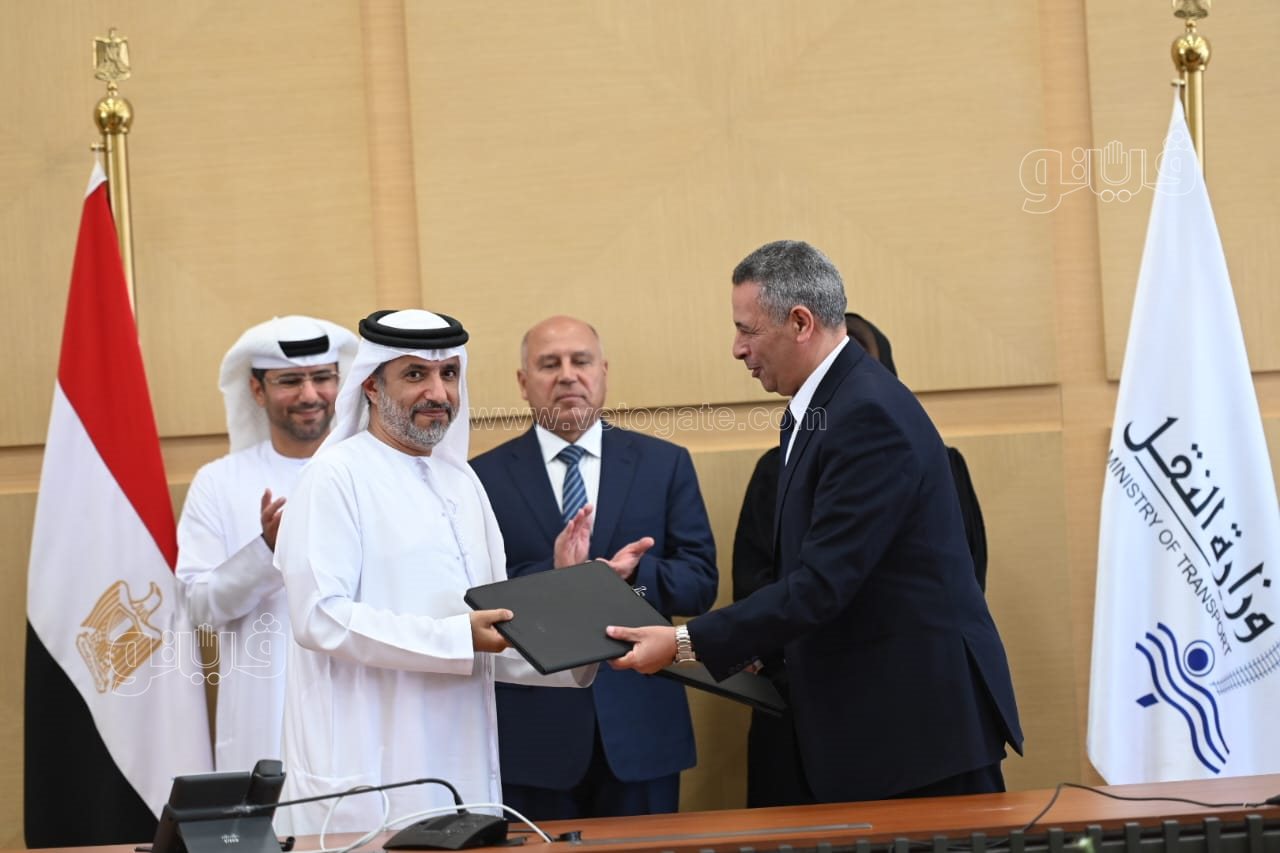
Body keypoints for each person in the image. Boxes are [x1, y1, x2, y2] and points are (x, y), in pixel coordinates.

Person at [610, 241, 1023, 804]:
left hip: (917, 733)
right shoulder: (829, 405)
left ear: (801, 322)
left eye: (747, 330)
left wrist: (684, 642)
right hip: (876, 728)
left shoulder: (866, 413)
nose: (737, 349)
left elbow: (823, 584)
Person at [273, 309, 594, 835]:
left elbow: (492, 628)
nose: (438, 392)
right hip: (369, 765)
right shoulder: (333, 476)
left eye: (449, 373)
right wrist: (457, 638)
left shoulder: (463, 484)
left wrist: (581, 640)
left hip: (462, 759)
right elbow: (320, 618)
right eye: (415, 374)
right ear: (372, 385)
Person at [731, 311, 992, 807]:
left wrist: (685, 643)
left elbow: (959, 584)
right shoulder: (778, 465)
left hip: (913, 721)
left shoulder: (919, 450)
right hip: (798, 708)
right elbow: (759, 580)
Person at [470, 316, 718, 820]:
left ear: (603, 371)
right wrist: (558, 574)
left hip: (642, 726)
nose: (567, 375)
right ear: (523, 382)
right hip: (534, 737)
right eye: (549, 364)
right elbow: (475, 593)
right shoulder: (480, 478)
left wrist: (627, 579)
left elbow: (699, 583)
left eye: (580, 361)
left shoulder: (664, 463)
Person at [176, 315, 357, 773]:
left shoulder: (370, 472)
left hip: (360, 707)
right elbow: (199, 608)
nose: (310, 395)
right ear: (257, 391)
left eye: (322, 377)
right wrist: (267, 550)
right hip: (264, 720)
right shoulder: (219, 483)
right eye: (290, 381)